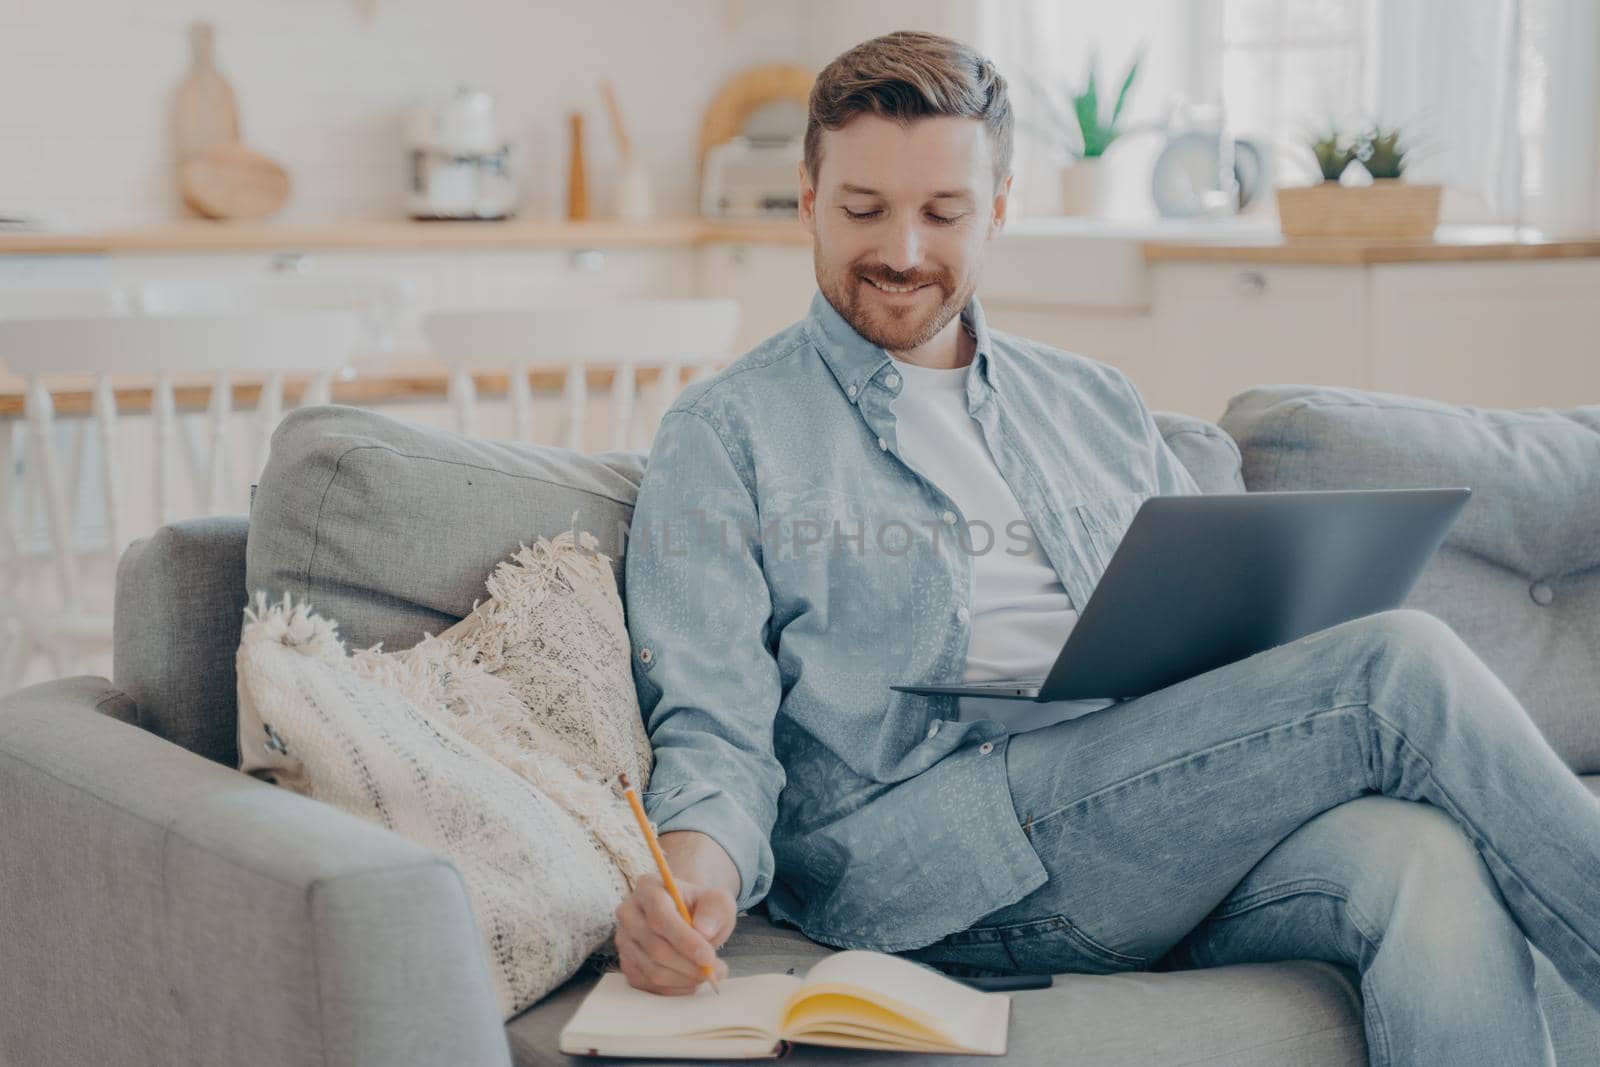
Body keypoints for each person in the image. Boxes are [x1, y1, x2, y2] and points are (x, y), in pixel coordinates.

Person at [612, 30, 1600, 1064]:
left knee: (1426, 860)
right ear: (807, 200)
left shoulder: (1091, 399)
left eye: (942, 212)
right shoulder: (727, 431)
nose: (901, 249)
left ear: (996, 210)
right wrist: (695, 873)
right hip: (940, 860)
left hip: (1157, 820)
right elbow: (713, 720)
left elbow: (1219, 631)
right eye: (864, 209)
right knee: (1397, 662)